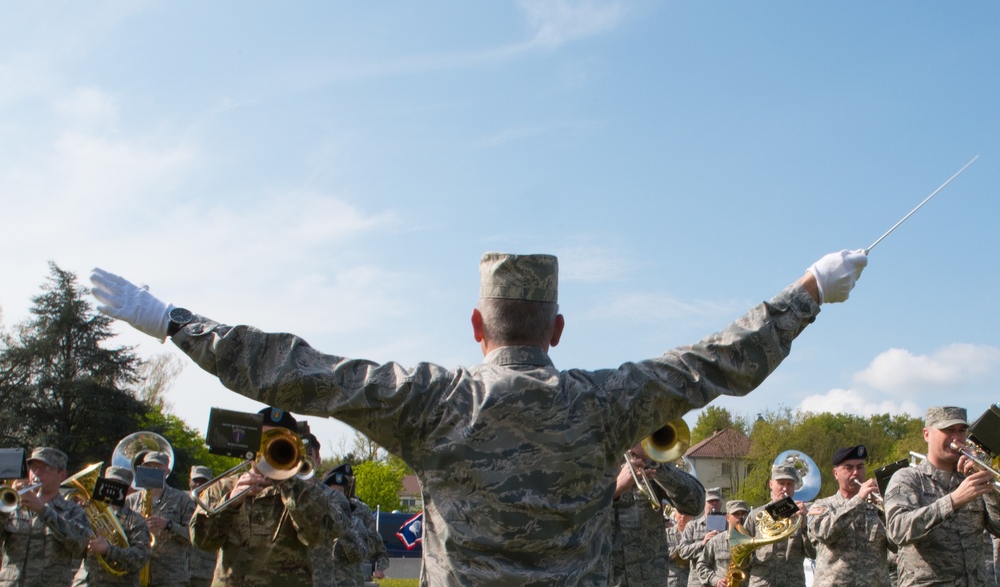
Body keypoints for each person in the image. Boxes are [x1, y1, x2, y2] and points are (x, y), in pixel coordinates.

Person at [90, 249, 866, 586]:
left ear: (475, 324)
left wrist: (171, 321)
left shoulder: (431, 398)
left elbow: (299, 368)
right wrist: (806, 291)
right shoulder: (606, 401)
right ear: (556, 329)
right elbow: (718, 361)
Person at [190, 408, 353, 587]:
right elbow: (202, 541)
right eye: (262, 440)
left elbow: (317, 536)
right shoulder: (222, 488)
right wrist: (230, 502)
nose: (268, 447)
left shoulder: (308, 493)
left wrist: (289, 483)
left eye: (278, 440)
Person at [884, 406, 1000, 587]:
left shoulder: (971, 478)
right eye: (948, 430)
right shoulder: (907, 478)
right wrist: (953, 501)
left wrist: (990, 485)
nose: (957, 438)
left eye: (962, 431)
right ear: (926, 434)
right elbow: (897, 531)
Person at [610, 442, 705, 587]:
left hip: (650, 579)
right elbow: (572, 518)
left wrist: (657, 465)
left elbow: (696, 504)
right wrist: (614, 490)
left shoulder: (651, 463)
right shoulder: (593, 459)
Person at [0, 447, 91, 587]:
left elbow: (79, 544)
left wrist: (42, 510)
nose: (37, 473)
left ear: (62, 475)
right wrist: (3, 509)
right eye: (33, 467)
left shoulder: (73, 510)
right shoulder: (13, 506)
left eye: (46, 468)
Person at [807, 444, 891, 587]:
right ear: (835, 473)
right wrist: (859, 499)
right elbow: (826, 533)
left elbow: (897, 545)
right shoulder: (822, 506)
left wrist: (884, 511)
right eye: (849, 468)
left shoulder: (877, 506)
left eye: (860, 467)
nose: (855, 472)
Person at [72, 465, 152, 587]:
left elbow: (141, 558)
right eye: (108, 483)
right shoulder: (88, 514)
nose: (111, 489)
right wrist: (77, 516)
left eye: (118, 484)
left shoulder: (136, 521)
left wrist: (108, 550)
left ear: (129, 490)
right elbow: (73, 548)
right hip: (88, 582)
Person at [124, 451, 195, 587]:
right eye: (148, 466)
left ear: (167, 471)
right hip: (136, 574)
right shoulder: (130, 500)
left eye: (157, 467)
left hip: (170, 576)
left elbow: (193, 536)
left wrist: (168, 525)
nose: (152, 470)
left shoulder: (183, 499)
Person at [742, 463, 814, 587]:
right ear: (771, 484)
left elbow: (813, 553)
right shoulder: (756, 516)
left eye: (789, 484)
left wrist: (804, 526)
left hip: (792, 583)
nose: (785, 488)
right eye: (781, 483)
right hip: (763, 583)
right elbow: (742, 554)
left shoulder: (804, 514)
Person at [677, 488, 726, 587]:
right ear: (704, 503)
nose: (714, 504)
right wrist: (702, 543)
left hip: (721, 580)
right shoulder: (693, 526)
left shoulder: (727, 525)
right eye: (710, 501)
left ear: (721, 504)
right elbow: (682, 552)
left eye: (716, 501)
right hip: (698, 581)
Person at [696, 500, 750, 587]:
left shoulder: (752, 541)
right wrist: (715, 580)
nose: (740, 517)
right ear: (727, 517)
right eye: (736, 514)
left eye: (743, 514)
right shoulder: (716, 541)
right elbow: (701, 565)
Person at [187, 466, 218, 587]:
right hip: (178, 570)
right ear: (189, 481)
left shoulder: (217, 503)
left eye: (203, 481)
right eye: (195, 480)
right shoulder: (179, 500)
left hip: (204, 571)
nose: (198, 484)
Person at [666, 510, 694, 587]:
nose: (683, 516)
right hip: (672, 580)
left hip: (690, 580)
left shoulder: (695, 534)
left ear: (691, 517)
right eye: (680, 513)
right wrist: (683, 548)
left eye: (686, 513)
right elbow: (663, 554)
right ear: (675, 515)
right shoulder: (667, 533)